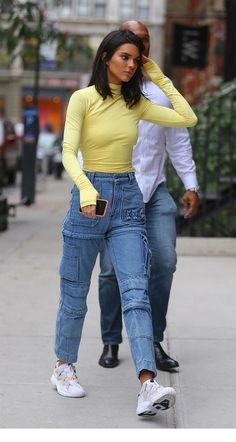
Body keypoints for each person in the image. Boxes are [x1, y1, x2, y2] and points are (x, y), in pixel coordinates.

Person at [51, 29, 197, 417]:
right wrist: (84, 188)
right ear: (105, 58)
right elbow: (68, 151)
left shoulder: (137, 103)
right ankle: (63, 367)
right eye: (125, 58)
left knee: (135, 291)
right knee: (75, 292)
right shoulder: (82, 99)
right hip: (90, 196)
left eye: (136, 59)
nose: (132, 65)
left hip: (129, 198)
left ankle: (147, 384)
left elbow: (188, 117)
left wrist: (159, 75)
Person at [98, 21, 200, 372]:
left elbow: (179, 139)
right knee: (111, 272)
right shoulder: (100, 93)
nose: (139, 50)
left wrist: (191, 183)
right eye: (132, 43)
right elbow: (85, 147)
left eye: (144, 42)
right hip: (114, 192)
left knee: (164, 262)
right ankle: (111, 340)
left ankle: (153, 340)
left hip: (154, 191)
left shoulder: (159, 92)